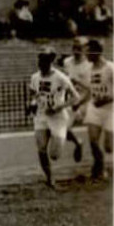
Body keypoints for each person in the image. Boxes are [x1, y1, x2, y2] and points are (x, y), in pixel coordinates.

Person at [27, 49, 79, 188]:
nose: (40, 64)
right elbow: (32, 93)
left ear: (50, 62)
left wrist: (58, 107)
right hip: (41, 115)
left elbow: (75, 97)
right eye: (39, 61)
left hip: (57, 117)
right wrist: (31, 103)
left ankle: (78, 143)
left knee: (54, 155)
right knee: (41, 148)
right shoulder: (35, 77)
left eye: (43, 61)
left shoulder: (60, 78)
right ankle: (50, 179)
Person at [82, 39, 114, 181]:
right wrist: (79, 103)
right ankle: (99, 168)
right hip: (94, 108)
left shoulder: (111, 68)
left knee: (108, 146)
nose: (86, 54)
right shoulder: (88, 70)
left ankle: (112, 165)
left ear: (97, 51)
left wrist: (107, 99)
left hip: (111, 109)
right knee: (93, 141)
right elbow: (90, 90)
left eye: (88, 51)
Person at [61, 37, 93, 164]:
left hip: (84, 101)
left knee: (62, 126)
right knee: (57, 129)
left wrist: (78, 103)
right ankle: (78, 142)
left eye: (79, 48)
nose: (76, 51)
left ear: (86, 49)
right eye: (74, 48)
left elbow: (91, 90)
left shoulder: (89, 65)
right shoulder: (67, 62)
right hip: (69, 100)